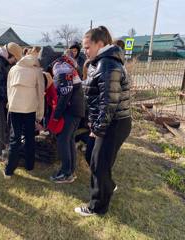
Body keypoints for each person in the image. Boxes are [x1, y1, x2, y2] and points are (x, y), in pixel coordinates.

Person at [75, 26, 131, 216]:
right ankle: (109, 186)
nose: (84, 51)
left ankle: (96, 207)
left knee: (98, 162)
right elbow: (95, 93)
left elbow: (109, 102)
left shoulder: (107, 64)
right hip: (106, 122)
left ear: (100, 44)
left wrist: (97, 129)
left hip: (114, 123)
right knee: (92, 154)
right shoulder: (98, 63)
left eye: (87, 47)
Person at [4, 48, 45, 178]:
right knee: (29, 137)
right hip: (30, 108)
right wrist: (40, 114)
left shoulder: (13, 69)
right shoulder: (37, 70)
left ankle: (9, 170)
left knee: (14, 138)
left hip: (15, 107)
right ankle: (29, 165)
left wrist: (10, 105)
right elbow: (40, 93)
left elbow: (9, 89)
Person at [49, 50, 85, 183]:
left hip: (70, 110)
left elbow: (64, 94)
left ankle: (65, 173)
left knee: (63, 140)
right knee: (69, 140)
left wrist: (56, 116)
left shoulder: (60, 68)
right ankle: (70, 171)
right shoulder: (68, 65)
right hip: (77, 109)